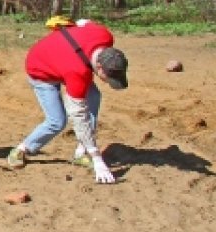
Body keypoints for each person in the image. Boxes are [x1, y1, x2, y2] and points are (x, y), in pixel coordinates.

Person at [7, 18, 128, 183]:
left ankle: (82, 151)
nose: (108, 82)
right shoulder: (78, 72)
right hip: (41, 70)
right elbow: (79, 115)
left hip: (64, 59)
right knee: (57, 121)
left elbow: (84, 22)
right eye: (108, 78)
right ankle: (22, 149)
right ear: (99, 67)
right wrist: (97, 158)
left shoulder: (104, 36)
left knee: (94, 96)